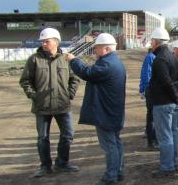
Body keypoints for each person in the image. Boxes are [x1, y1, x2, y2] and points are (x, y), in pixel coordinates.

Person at [19, 28, 80, 178]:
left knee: (68, 135)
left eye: (47, 41)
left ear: (56, 42)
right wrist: (34, 96)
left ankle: (62, 163)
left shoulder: (65, 59)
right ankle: (45, 166)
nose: (44, 44)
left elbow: (75, 79)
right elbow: (25, 80)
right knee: (42, 138)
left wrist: (69, 94)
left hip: (62, 105)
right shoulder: (34, 59)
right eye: (43, 41)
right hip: (42, 106)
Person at [66, 33, 126, 184]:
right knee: (115, 142)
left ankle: (110, 176)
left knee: (109, 145)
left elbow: (88, 73)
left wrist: (73, 60)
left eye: (97, 47)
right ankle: (117, 172)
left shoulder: (107, 64)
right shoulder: (115, 62)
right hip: (113, 111)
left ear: (106, 48)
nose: (94, 50)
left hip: (106, 112)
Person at [146, 28, 178, 177]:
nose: (151, 43)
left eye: (152, 41)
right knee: (173, 133)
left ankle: (167, 167)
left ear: (156, 42)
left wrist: (176, 95)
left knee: (165, 136)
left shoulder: (159, 60)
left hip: (163, 103)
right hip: (172, 101)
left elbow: (166, 82)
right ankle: (172, 163)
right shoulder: (172, 56)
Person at [139, 46, 157, 150]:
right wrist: (144, 89)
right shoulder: (151, 57)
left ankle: (151, 137)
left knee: (152, 115)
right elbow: (146, 74)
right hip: (152, 90)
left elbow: (144, 74)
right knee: (151, 116)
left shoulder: (151, 57)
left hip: (152, 89)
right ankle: (151, 141)